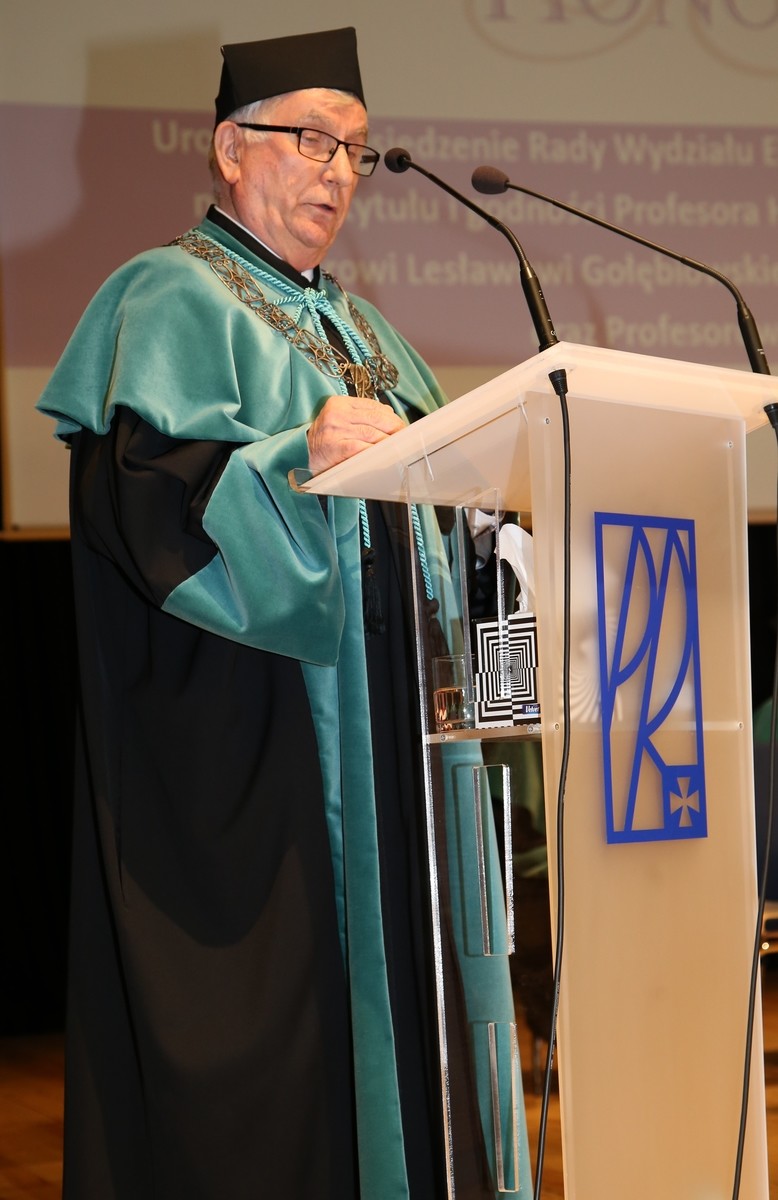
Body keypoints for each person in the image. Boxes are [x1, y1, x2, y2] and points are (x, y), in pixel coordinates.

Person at [38, 27, 530, 1200]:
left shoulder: (371, 335)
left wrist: (502, 576)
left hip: (409, 767)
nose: (337, 171)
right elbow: (141, 513)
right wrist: (291, 458)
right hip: (266, 777)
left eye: (354, 149)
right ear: (228, 148)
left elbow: (450, 518)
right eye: (310, 139)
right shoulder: (164, 296)